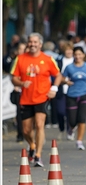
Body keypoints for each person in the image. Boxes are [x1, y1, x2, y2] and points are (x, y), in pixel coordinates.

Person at [10, 32, 63, 167]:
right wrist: (21, 84)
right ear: (28, 43)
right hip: (26, 99)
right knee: (26, 130)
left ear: (40, 44)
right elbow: (13, 78)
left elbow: (58, 75)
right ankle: (32, 145)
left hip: (42, 97)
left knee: (39, 125)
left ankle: (38, 155)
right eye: (30, 42)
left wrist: (54, 89)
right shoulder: (20, 59)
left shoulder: (47, 59)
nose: (32, 44)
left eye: (35, 42)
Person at [62, 46, 86, 150]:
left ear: (83, 55)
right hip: (71, 95)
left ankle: (79, 141)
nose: (77, 57)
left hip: (84, 94)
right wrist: (66, 82)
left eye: (79, 54)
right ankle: (71, 128)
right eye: (75, 55)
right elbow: (63, 78)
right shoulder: (69, 67)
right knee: (72, 120)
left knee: (82, 119)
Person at [55, 41, 74, 141]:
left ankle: (69, 130)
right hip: (61, 89)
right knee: (60, 111)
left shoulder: (75, 61)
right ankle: (61, 127)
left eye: (70, 50)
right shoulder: (59, 61)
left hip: (72, 90)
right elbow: (56, 74)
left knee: (70, 112)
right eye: (67, 50)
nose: (69, 52)